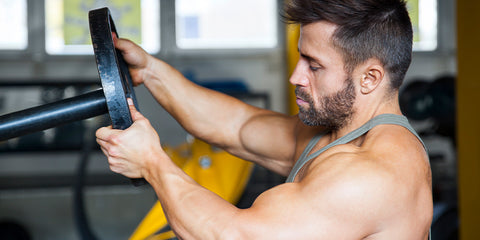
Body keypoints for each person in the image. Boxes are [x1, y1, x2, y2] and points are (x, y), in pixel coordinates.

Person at [96, 0, 433, 239]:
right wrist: (152, 72)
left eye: (314, 66)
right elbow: (237, 128)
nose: (295, 76)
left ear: (370, 78)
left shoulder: (372, 176)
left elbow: (234, 236)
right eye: (301, 57)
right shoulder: (337, 133)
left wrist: (152, 162)